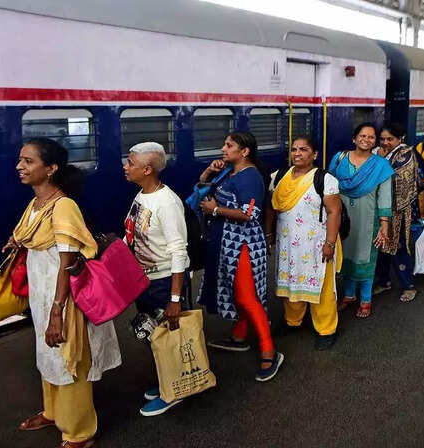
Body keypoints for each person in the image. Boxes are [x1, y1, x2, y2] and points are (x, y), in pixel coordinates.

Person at [11, 138, 120, 448]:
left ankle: (79, 431)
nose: (20, 166)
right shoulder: (36, 204)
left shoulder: (63, 207)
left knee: (70, 360)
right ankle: (54, 411)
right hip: (42, 296)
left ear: (51, 169)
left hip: (64, 299)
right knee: (49, 355)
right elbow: (30, 237)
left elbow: (67, 264)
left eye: (29, 161)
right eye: (21, 160)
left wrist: (58, 310)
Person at [197, 132, 284, 382]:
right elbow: (202, 188)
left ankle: (269, 352)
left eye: (229, 145)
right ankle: (239, 335)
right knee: (237, 292)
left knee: (247, 297)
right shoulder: (229, 172)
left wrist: (215, 209)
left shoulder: (250, 176)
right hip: (226, 242)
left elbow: (250, 214)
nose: (223, 149)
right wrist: (209, 171)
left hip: (243, 243)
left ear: (244, 151)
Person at [122, 142, 191, 416]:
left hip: (164, 283)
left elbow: (178, 252)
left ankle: (174, 391)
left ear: (147, 169)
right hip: (146, 282)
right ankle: (167, 380)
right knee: (156, 337)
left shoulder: (167, 203)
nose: (126, 167)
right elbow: (134, 234)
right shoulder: (142, 195)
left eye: (131, 163)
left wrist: (175, 299)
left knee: (171, 338)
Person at [265, 137, 342, 350]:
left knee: (322, 287)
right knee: (290, 281)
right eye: (294, 149)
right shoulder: (278, 177)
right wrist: (269, 233)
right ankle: (293, 321)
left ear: (314, 154)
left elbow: (334, 212)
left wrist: (330, 243)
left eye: (303, 149)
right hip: (288, 244)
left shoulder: (324, 179)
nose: (297, 153)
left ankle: (326, 329)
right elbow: (271, 207)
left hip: (317, 244)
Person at [329, 123, 394, 318]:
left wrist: (384, 224)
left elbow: (385, 196)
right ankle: (349, 295)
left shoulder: (381, 166)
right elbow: (329, 187)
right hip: (341, 218)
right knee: (346, 255)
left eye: (371, 137)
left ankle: (366, 299)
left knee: (364, 257)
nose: (366, 139)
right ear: (354, 138)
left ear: (375, 142)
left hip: (369, 218)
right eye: (362, 136)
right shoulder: (339, 159)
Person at [374, 124, 421, 302]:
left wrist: (380, 162)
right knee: (381, 247)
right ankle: (384, 281)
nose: (385, 142)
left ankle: (408, 285)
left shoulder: (406, 154)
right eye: (382, 139)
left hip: (399, 211)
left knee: (399, 247)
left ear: (400, 138)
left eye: (390, 139)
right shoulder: (380, 152)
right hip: (380, 209)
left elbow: (395, 179)